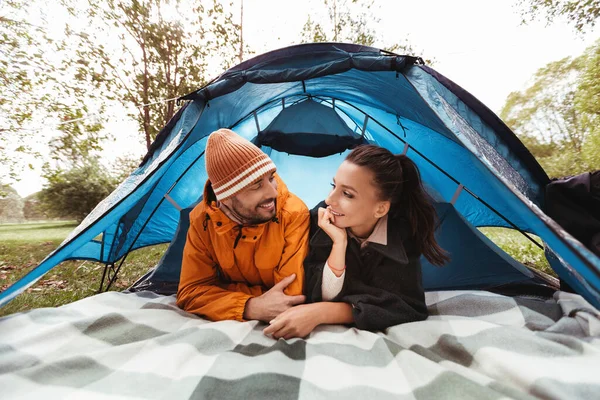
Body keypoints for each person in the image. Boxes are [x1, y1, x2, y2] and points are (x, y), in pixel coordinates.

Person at [264, 145, 449, 339]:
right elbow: (319, 293)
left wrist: (320, 313)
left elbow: (406, 306)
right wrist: (339, 244)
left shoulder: (402, 238)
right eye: (334, 186)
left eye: (348, 194)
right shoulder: (318, 221)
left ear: (380, 209)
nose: (329, 200)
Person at [177, 128, 310, 322]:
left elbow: (289, 296)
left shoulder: (293, 213)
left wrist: (218, 290)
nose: (273, 193)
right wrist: (249, 306)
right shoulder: (202, 221)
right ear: (225, 196)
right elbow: (190, 292)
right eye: (256, 185)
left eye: (271, 177)